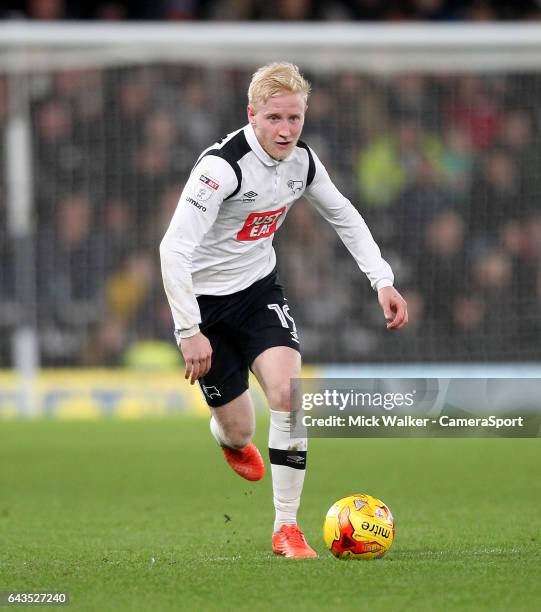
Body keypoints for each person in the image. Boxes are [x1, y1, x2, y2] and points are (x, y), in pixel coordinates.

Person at [160, 63, 408, 558]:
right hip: (204, 306)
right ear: (251, 115)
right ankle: (228, 440)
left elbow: (344, 215)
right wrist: (189, 330)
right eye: (274, 117)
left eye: (295, 118)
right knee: (239, 428)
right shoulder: (220, 169)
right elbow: (173, 249)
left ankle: (285, 528)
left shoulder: (304, 163)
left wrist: (383, 279)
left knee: (286, 394)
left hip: (257, 293)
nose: (286, 130)